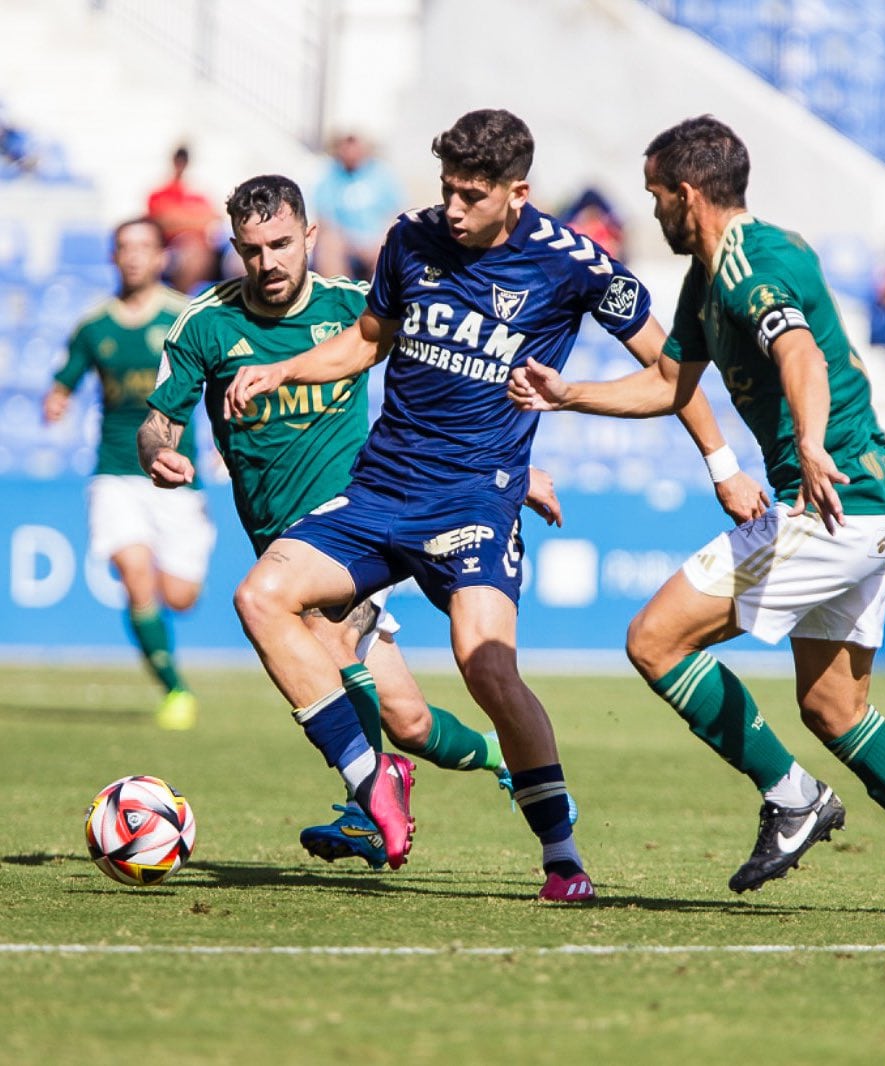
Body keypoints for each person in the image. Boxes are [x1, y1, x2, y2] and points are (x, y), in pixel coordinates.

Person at [221, 109, 767, 901]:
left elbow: (672, 369)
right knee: (261, 596)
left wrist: (721, 464)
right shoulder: (411, 239)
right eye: (447, 188)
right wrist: (288, 370)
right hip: (382, 489)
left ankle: (562, 855)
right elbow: (370, 336)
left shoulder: (574, 264)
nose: (453, 207)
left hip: (476, 498)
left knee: (486, 665)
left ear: (518, 193)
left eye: (471, 194)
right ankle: (371, 780)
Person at [509, 115, 885, 917]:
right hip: (874, 507)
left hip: (829, 506)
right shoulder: (711, 273)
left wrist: (811, 445)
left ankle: (791, 795)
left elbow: (801, 355)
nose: (651, 213)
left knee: (653, 639)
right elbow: (672, 383)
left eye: (655, 197)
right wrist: (568, 393)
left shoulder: (750, 266)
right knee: (832, 707)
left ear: (687, 195)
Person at [136, 173, 564, 872]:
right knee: (411, 723)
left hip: (364, 526)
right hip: (283, 544)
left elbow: (458, 373)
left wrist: (510, 469)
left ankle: (367, 805)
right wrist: (161, 455)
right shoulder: (205, 323)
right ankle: (503, 758)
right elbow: (157, 423)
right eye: (251, 250)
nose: (268, 262)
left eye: (280, 244)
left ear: (309, 236)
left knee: (325, 629)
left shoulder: (355, 309)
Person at [44, 217, 214, 731]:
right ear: (113, 257)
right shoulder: (94, 325)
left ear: (162, 257)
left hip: (177, 475)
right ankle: (175, 690)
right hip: (115, 471)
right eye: (125, 247)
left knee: (179, 598)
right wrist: (56, 400)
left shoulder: (184, 317)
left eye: (145, 247)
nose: (135, 256)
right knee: (136, 577)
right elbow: (63, 381)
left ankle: (167, 653)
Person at [312, 131, 403, 282]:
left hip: (375, 241)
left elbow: (395, 215)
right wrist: (350, 244)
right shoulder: (330, 175)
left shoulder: (382, 174)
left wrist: (380, 239)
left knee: (391, 244)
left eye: (354, 144)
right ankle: (340, 297)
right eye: (345, 145)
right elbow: (325, 219)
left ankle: (381, 300)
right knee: (328, 245)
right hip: (345, 242)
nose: (350, 151)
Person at [146, 145, 221, 295]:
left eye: (184, 160)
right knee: (190, 253)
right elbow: (162, 222)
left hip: (202, 250)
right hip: (174, 249)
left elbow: (213, 218)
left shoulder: (197, 194)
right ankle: (183, 302)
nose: (181, 164)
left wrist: (178, 219)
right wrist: (194, 219)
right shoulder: (160, 193)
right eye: (179, 159)